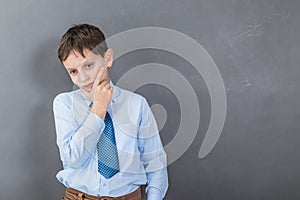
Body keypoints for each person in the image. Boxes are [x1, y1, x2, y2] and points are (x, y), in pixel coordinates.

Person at [53, 24, 168, 200]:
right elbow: (73, 159)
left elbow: (155, 164)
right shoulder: (64, 104)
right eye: (73, 71)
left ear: (108, 58)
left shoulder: (137, 105)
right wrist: (98, 110)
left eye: (89, 65)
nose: (83, 78)